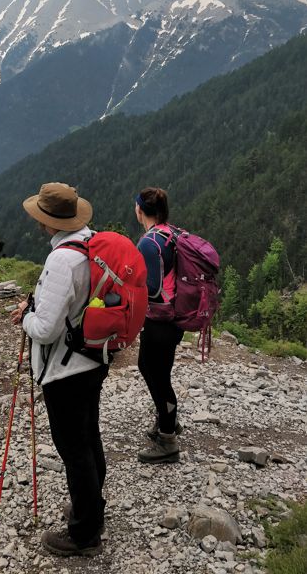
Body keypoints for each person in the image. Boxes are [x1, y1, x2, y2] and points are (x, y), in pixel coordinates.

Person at [12, 182, 106, 557]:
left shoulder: (62, 259)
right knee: (88, 436)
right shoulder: (92, 243)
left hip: (66, 369)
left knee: (73, 448)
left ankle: (84, 534)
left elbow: (47, 329)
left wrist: (25, 319)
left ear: (48, 222)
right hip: (94, 357)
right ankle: (93, 509)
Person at [135, 186, 183, 464]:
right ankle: (168, 418)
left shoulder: (148, 242)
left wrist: (128, 285)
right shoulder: (171, 233)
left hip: (159, 320)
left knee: (158, 376)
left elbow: (152, 289)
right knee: (152, 369)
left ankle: (168, 440)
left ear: (140, 210)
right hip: (174, 319)